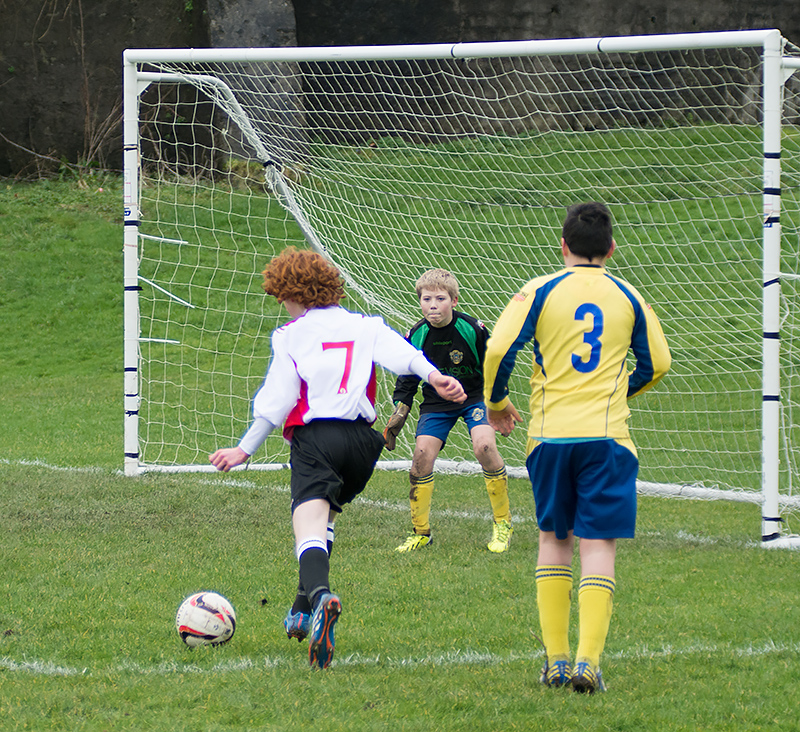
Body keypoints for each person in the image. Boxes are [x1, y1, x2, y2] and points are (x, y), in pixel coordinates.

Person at [209, 247, 466, 669]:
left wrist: (244, 448)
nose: (282, 305)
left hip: (317, 439)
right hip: (364, 446)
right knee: (324, 520)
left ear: (294, 293)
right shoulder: (365, 325)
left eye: (282, 296)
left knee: (305, 526)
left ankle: (321, 598)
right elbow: (404, 355)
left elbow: (278, 400)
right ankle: (301, 606)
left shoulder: (291, 334)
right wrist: (436, 377)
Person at [483, 203, 671, 693]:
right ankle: (589, 662)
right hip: (608, 439)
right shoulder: (629, 295)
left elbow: (499, 349)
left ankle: (557, 661)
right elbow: (659, 363)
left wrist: (498, 403)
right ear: (610, 249)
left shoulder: (539, 290)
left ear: (562, 245)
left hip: (550, 437)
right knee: (598, 544)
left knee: (553, 539)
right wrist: (617, 392)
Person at [383, 268, 513, 553]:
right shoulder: (416, 334)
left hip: (475, 398)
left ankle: (502, 524)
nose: (432, 305)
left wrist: (498, 401)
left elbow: (492, 366)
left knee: (485, 448)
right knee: (420, 458)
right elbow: (407, 377)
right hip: (436, 403)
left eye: (440, 298)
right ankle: (421, 532)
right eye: (426, 298)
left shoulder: (472, 329)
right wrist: (400, 409)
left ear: (454, 301)